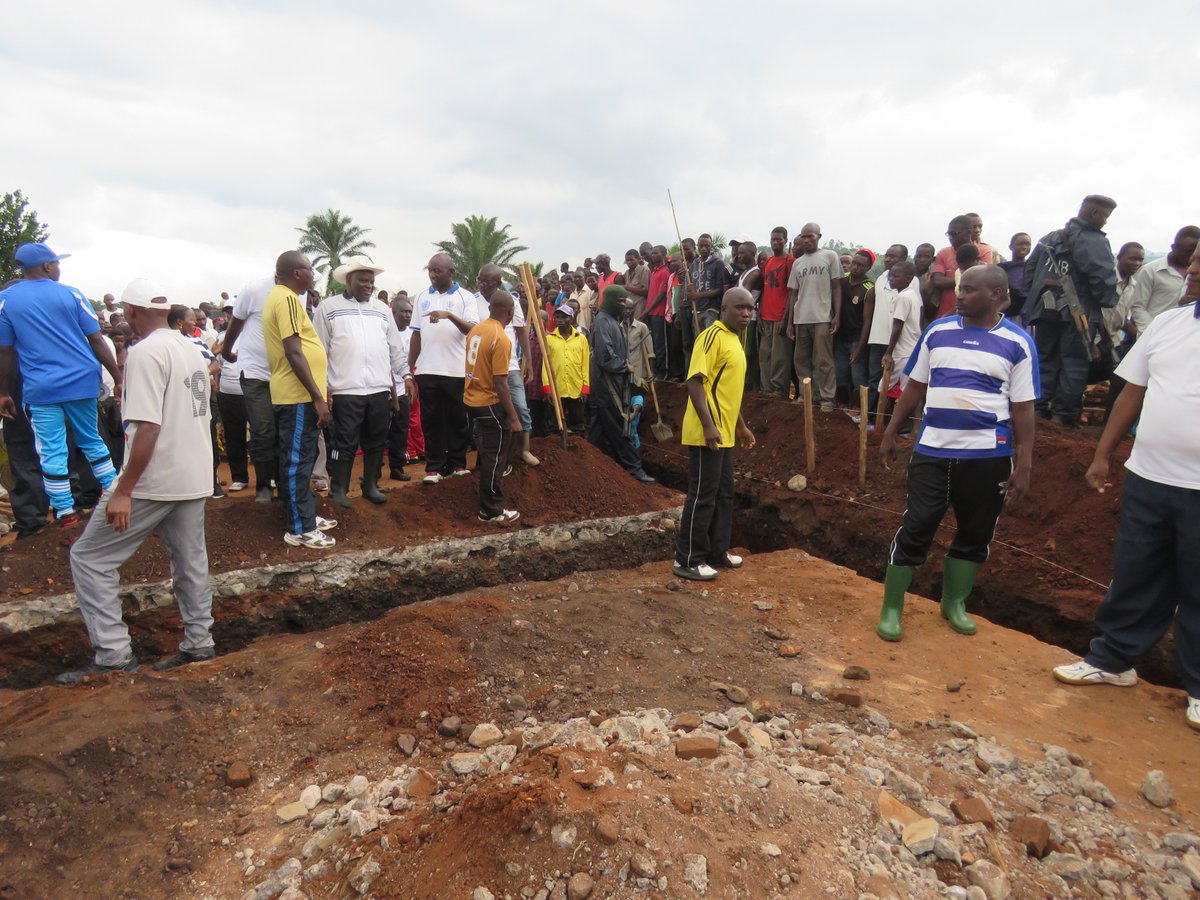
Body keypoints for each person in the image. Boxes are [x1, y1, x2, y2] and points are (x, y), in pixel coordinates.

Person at [1052, 244, 1200, 733]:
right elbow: (1132, 390)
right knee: (1136, 574)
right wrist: (1102, 453)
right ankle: (1113, 661)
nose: (1193, 268)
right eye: (1194, 259)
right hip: (1150, 476)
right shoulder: (1168, 324)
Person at [57, 278, 216, 683]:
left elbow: (147, 429)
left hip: (154, 478)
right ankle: (200, 643)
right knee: (191, 563)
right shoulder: (191, 347)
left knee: (90, 558)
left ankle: (112, 656)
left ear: (130, 311)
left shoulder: (146, 353)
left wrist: (122, 491)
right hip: (193, 474)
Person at [876, 265, 1038, 642]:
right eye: (960, 289)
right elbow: (915, 386)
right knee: (918, 524)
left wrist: (1025, 462)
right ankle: (892, 607)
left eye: (970, 290)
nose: (959, 295)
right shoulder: (938, 331)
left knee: (976, 531)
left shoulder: (1017, 342)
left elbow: (1024, 408)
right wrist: (889, 431)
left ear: (997, 295)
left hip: (988, 457)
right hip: (932, 451)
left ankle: (953, 604)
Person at [0, 243, 120, 528]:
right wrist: (118, 376)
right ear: (45, 267)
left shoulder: (6, 300)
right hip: (82, 382)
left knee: (52, 450)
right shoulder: (72, 294)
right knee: (91, 439)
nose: (58, 268)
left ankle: (65, 512)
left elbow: (4, 351)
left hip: (42, 389)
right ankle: (113, 493)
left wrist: (3, 391)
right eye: (56, 263)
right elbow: (96, 340)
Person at [673, 287, 757, 581]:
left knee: (724, 494)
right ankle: (688, 559)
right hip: (705, 432)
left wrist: (740, 425)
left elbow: (725, 391)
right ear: (723, 309)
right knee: (702, 495)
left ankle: (716, 552)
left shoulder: (736, 339)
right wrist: (709, 425)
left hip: (725, 432)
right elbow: (696, 382)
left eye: (750, 308)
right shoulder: (710, 337)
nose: (746, 313)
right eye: (740, 308)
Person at [312, 256, 409, 507]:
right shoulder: (328, 307)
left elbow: (394, 349)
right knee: (343, 441)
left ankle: (370, 485)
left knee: (376, 439)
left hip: (378, 388)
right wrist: (324, 390)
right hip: (346, 389)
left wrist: (405, 375)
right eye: (363, 280)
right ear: (349, 280)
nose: (368, 285)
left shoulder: (381, 310)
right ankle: (339, 489)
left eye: (371, 281)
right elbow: (320, 351)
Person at [262, 251, 337, 548]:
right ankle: (299, 528)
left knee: (302, 460)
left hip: (298, 395)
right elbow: (294, 351)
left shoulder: (282, 297)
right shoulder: (288, 299)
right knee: (296, 462)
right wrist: (317, 397)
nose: (312, 275)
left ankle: (304, 514)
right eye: (309, 269)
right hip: (297, 396)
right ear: (296, 272)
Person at [1024, 195, 1119, 426]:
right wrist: (1107, 300)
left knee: (1043, 359)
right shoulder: (1094, 240)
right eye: (1105, 217)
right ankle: (1063, 417)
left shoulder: (1049, 238)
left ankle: (1036, 412)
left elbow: (1029, 273)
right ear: (1095, 213)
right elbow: (1103, 281)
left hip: (1044, 311)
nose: (1105, 222)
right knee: (1074, 364)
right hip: (1078, 316)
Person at [409, 253, 480, 484]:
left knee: (457, 419)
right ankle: (434, 467)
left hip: (456, 371)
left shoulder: (465, 297)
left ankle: (458, 464)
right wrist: (411, 367)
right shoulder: (421, 297)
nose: (432, 275)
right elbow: (416, 334)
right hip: (428, 370)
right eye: (430, 270)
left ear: (451, 272)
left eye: (437, 270)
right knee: (431, 420)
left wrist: (449, 315)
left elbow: (471, 329)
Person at [463, 291, 522, 524]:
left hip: (471, 399)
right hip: (489, 403)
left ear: (490, 309)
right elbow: (500, 382)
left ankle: (489, 502)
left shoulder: (476, 330)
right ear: (510, 312)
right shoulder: (501, 338)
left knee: (490, 453)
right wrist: (514, 417)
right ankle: (491, 510)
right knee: (495, 457)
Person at [221, 274, 279, 503]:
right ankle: (264, 487)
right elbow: (236, 321)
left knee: (280, 428)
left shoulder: (300, 293)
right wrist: (226, 351)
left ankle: (279, 479)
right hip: (254, 372)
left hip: (282, 372)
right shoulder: (254, 289)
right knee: (263, 429)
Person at [589, 285, 655, 483]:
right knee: (621, 427)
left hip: (611, 385)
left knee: (599, 430)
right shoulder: (602, 322)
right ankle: (634, 469)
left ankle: (597, 467)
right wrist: (625, 367)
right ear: (609, 301)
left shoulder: (611, 321)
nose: (624, 305)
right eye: (620, 301)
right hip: (608, 386)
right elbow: (604, 356)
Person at [477, 264, 538, 467]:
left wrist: (527, 361)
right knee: (485, 413)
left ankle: (524, 450)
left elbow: (521, 331)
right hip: (482, 368)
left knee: (520, 407)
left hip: (509, 365)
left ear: (497, 282)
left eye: (486, 282)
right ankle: (486, 457)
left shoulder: (511, 301)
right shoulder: (472, 300)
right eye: (480, 280)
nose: (482, 285)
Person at [786, 223, 843, 411]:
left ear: (819, 236)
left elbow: (836, 287)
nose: (806, 240)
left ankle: (827, 399)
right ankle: (805, 395)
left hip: (822, 317)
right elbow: (793, 294)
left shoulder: (830, 256)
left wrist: (837, 315)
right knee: (801, 360)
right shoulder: (798, 262)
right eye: (803, 237)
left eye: (810, 236)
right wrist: (789, 323)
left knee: (823, 360)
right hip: (801, 318)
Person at [861, 245, 908, 417]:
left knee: (895, 382)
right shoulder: (881, 279)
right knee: (875, 378)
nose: (887, 259)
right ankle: (870, 416)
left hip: (897, 342)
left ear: (903, 258)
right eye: (886, 256)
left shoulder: (910, 282)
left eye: (892, 256)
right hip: (877, 337)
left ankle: (886, 419)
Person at [1127, 225, 1199, 336]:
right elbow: (1138, 306)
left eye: (1194, 252)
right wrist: (1151, 332)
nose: (1190, 257)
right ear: (1173, 247)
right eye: (1186, 251)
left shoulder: (1195, 275)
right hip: (1152, 335)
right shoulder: (1151, 270)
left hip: (1184, 336)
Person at [876, 260, 924, 424]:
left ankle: (884, 426)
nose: (891, 279)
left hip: (902, 352)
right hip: (910, 350)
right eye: (891, 275)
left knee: (885, 388)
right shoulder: (912, 295)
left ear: (909, 277)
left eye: (896, 276)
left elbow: (898, 325)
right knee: (904, 389)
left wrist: (889, 352)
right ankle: (892, 426)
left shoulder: (903, 297)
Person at [932, 216, 994, 319]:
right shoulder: (943, 253)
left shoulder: (984, 251)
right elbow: (938, 281)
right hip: (945, 315)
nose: (950, 237)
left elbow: (983, 280)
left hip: (974, 316)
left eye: (954, 234)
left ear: (968, 232)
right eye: (949, 234)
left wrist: (960, 280)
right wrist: (968, 281)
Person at [542, 302, 590, 433]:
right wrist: (548, 390)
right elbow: (545, 367)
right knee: (554, 424)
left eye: (564, 317)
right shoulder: (550, 339)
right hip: (557, 388)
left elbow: (585, 365)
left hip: (576, 387)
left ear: (572, 318)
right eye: (557, 317)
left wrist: (585, 389)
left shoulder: (581, 339)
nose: (560, 320)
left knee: (578, 424)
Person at [836, 248, 874, 412]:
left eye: (860, 265)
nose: (855, 267)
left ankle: (858, 407)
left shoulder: (869, 288)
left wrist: (860, 348)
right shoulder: (842, 281)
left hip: (857, 339)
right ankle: (842, 404)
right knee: (841, 373)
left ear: (868, 268)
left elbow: (867, 320)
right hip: (839, 337)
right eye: (854, 263)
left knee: (857, 376)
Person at [758, 226, 794, 397]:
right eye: (773, 239)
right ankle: (767, 389)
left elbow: (792, 292)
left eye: (779, 239)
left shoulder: (790, 261)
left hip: (781, 315)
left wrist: (787, 318)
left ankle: (779, 390)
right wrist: (759, 314)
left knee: (780, 357)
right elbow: (764, 290)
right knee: (765, 354)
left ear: (786, 240)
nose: (776, 242)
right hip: (766, 314)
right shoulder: (769, 263)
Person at [387, 295, 416, 481]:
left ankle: (397, 468)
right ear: (394, 313)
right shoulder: (386, 332)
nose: (407, 315)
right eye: (404, 312)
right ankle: (371, 474)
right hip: (384, 389)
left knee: (401, 429)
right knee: (378, 431)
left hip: (403, 389)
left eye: (410, 312)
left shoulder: (413, 334)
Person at [732, 240, 763, 392]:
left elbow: (742, 295)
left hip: (749, 319)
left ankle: (752, 385)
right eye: (738, 253)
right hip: (741, 319)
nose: (738, 256)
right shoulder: (744, 273)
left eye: (742, 253)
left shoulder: (755, 273)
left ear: (752, 254)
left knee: (748, 353)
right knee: (742, 351)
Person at [690, 234, 729, 331]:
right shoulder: (694, 264)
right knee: (699, 341)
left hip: (711, 310)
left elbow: (720, 289)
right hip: (696, 310)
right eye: (701, 246)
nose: (703, 248)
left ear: (711, 246)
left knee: (709, 340)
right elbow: (690, 285)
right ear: (697, 246)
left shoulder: (718, 262)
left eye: (706, 246)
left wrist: (698, 295)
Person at [644, 245, 671, 380]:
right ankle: (655, 371)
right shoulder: (654, 271)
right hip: (651, 313)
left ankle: (662, 372)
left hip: (659, 313)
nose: (652, 255)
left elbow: (661, 295)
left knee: (661, 345)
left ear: (664, 255)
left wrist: (646, 311)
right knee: (654, 343)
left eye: (656, 253)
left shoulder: (665, 272)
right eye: (652, 253)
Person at [998, 233, 1032, 322]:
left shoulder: (1033, 268)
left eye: (1027, 244)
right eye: (1020, 244)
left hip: (1027, 315)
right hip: (1006, 315)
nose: (1024, 247)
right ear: (1011, 247)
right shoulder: (1001, 268)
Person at [622, 249, 650, 320]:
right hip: (628, 309)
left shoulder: (644, 270)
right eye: (627, 260)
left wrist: (627, 287)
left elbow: (645, 291)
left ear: (638, 259)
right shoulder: (626, 273)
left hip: (640, 307)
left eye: (631, 260)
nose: (629, 262)